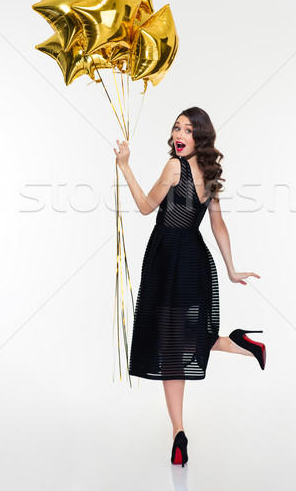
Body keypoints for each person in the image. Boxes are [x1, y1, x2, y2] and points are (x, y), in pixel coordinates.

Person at [113, 106, 266, 467]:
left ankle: (178, 434)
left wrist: (124, 166)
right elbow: (218, 225)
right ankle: (241, 344)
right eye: (176, 128)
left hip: (168, 259)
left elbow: (145, 207)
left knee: (171, 346)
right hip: (195, 261)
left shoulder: (173, 168)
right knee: (180, 340)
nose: (179, 135)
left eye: (187, 130)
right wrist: (230, 269)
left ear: (200, 138)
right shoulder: (210, 177)